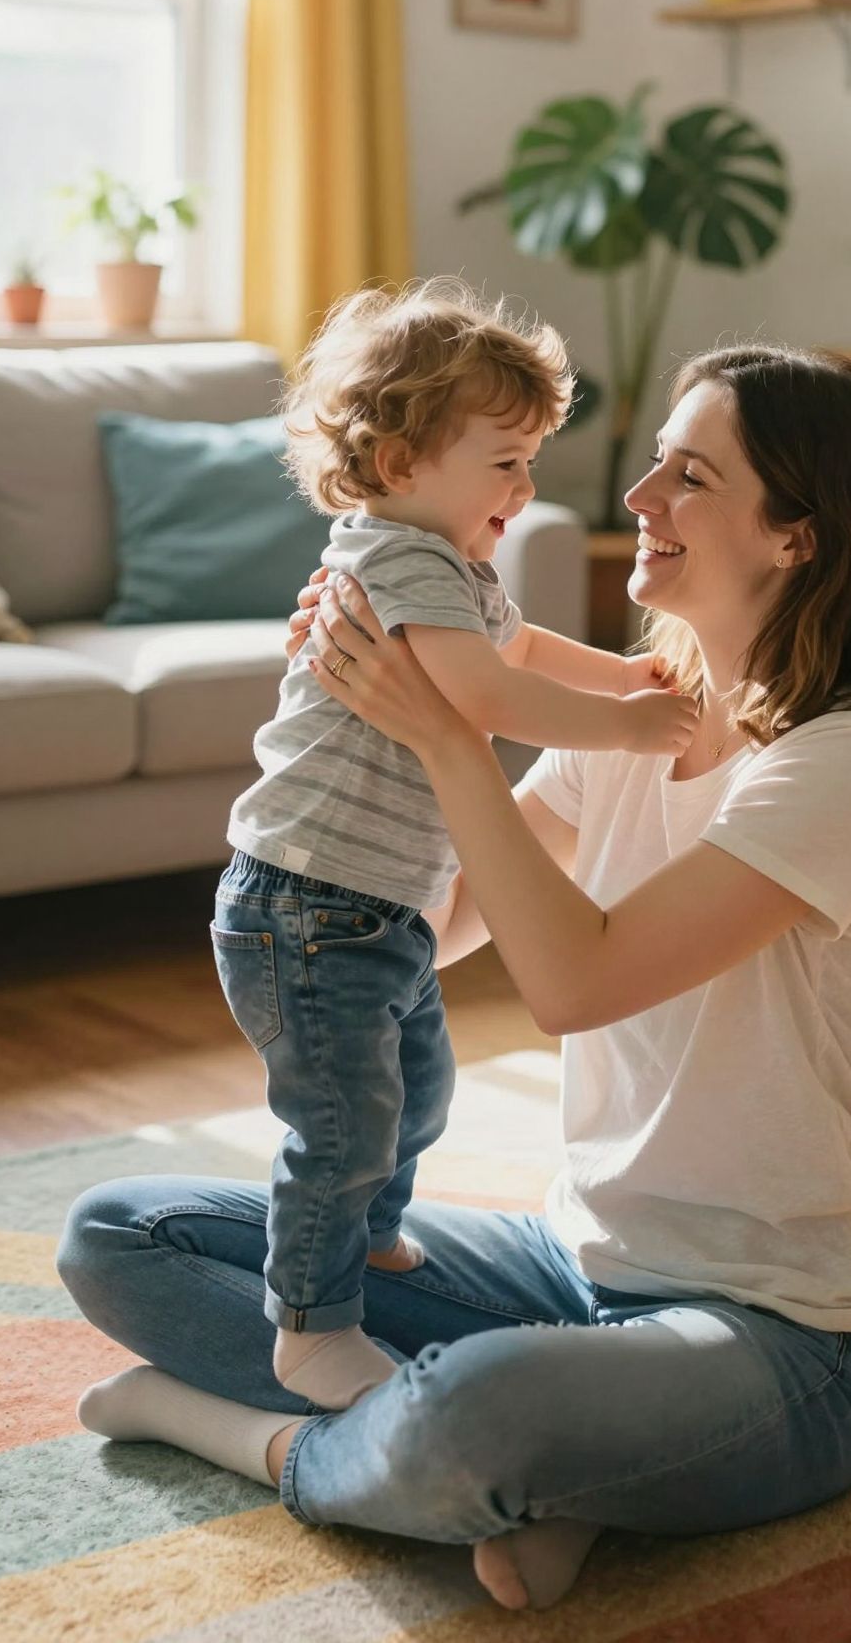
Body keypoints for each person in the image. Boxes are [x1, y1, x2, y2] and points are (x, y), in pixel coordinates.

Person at [59, 342, 851, 1615]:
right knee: (119, 1235)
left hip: (787, 1334)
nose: (641, 493)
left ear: (797, 537)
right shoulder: (643, 713)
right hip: (573, 1258)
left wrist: (447, 729)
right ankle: (578, 1472)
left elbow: (573, 980)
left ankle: (237, 1429)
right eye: (658, 457)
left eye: (692, 474)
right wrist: (355, 741)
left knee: (481, 1409)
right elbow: (432, 931)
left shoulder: (843, 764)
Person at [210, 283, 696, 1411]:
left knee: (414, 1089)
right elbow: (485, 687)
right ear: (395, 462)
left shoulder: (447, 568)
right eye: (506, 462)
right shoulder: (400, 558)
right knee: (342, 1122)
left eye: (531, 460)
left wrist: (619, 669)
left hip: (370, 910)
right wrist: (624, 723)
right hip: (309, 903)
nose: (527, 489)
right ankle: (311, 1327)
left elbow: (516, 638)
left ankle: (371, 1234)